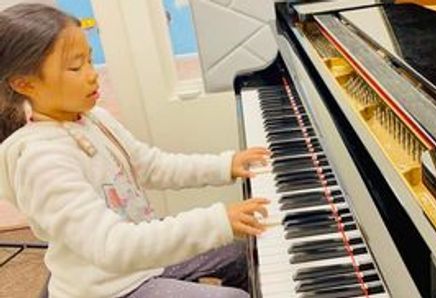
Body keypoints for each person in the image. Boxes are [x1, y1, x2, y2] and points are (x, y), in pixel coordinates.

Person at [0, 4, 270, 298]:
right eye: (76, 67)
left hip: (141, 262)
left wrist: (225, 165)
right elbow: (112, 245)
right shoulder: (42, 162)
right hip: (107, 288)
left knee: (247, 252)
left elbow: (151, 166)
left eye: (90, 61)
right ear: (25, 84)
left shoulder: (94, 119)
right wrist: (215, 221)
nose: (93, 75)